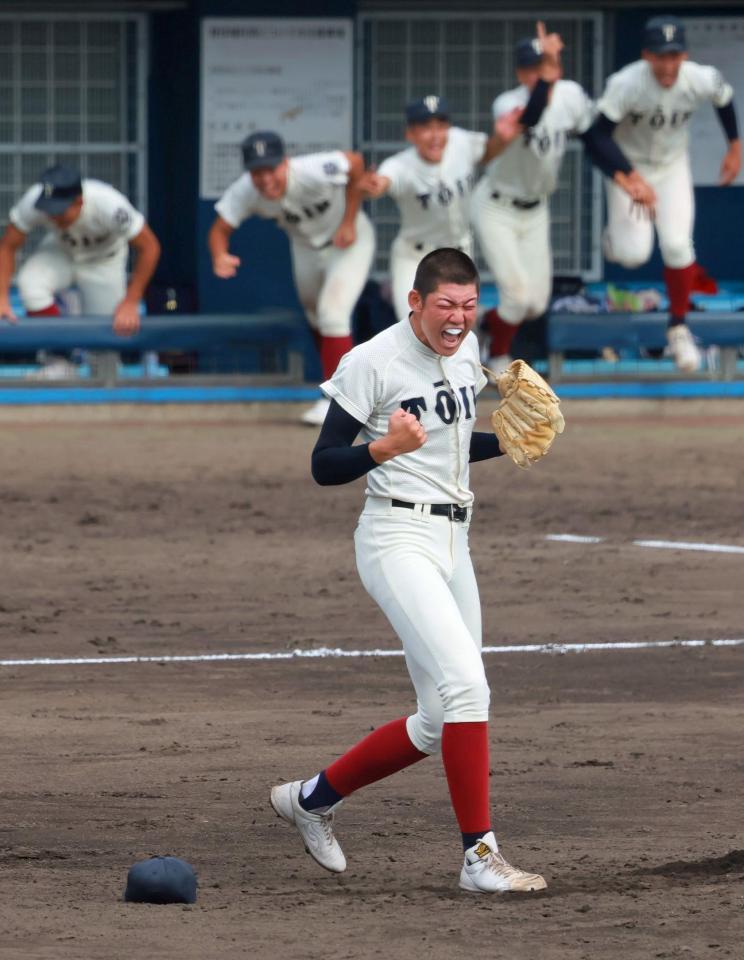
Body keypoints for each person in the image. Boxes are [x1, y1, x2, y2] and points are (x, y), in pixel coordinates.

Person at [270, 248, 548, 894]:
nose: (457, 319)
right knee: (468, 690)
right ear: (415, 303)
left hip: (455, 538)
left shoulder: (465, 350)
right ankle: (480, 858)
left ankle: (310, 799)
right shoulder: (374, 360)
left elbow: (446, 446)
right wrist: (383, 448)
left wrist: (506, 443)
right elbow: (324, 462)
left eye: (469, 306)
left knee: (438, 717)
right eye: (445, 305)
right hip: (397, 538)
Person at [471, 22, 655, 374]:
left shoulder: (570, 96)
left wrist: (624, 175)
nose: (535, 75)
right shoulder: (509, 103)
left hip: (535, 210)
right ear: (519, 72)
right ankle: (498, 354)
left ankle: (486, 323)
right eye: (529, 68)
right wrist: (548, 73)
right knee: (518, 297)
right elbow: (534, 114)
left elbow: (594, 140)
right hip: (496, 206)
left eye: (540, 67)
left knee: (536, 304)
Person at [593, 15, 742, 371]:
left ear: (685, 55)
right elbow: (597, 136)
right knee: (632, 254)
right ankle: (614, 238)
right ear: (647, 55)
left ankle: (678, 326)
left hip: (672, 166)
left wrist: (734, 146)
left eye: (674, 55)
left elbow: (724, 98)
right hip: (630, 169)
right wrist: (628, 177)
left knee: (677, 245)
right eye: (661, 56)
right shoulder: (626, 83)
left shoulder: (698, 77)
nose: (668, 64)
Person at [208, 132, 376, 426]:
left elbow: (354, 162)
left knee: (332, 313)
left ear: (285, 163)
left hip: (349, 240)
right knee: (315, 315)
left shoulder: (312, 169)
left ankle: (339, 402)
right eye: (257, 171)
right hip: (305, 246)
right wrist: (219, 254)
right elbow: (219, 229)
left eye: (271, 169)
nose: (265, 178)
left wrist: (349, 219)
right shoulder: (246, 190)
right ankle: (340, 386)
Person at [359, 95, 521, 322]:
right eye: (426, 127)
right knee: (413, 325)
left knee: (459, 327)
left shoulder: (460, 141)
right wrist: (372, 186)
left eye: (441, 126)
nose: (435, 135)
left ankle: (482, 337)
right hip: (415, 257)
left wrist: (502, 140)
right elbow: (383, 182)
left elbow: (486, 153)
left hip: (458, 253)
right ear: (410, 134)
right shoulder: (400, 165)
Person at [0, 164, 160, 340]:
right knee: (31, 284)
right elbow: (7, 247)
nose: (52, 216)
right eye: (49, 208)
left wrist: (131, 301)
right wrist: (1, 297)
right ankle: (59, 358)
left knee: (108, 334)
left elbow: (150, 247)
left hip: (104, 260)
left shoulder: (108, 204)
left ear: (79, 201)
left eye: (58, 210)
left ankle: (101, 365)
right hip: (62, 251)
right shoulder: (32, 201)